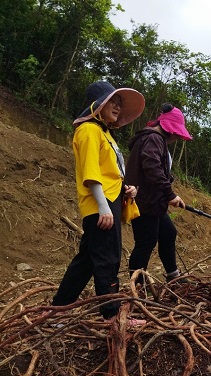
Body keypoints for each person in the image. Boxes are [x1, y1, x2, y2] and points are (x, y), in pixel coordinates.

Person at [51, 80, 146, 325]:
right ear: (98, 104)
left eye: (119, 103)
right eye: (112, 101)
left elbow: (109, 172)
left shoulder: (104, 132)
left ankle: (57, 311)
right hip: (99, 205)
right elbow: (90, 172)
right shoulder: (89, 131)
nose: (117, 106)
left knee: (87, 260)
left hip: (109, 200)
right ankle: (112, 315)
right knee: (107, 258)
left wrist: (126, 189)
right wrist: (103, 206)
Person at [125, 103, 192, 284]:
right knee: (145, 243)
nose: (176, 137)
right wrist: (170, 194)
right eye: (176, 132)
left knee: (168, 233)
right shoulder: (154, 138)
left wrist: (167, 195)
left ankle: (173, 275)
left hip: (153, 202)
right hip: (144, 202)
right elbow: (152, 167)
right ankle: (137, 286)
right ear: (168, 127)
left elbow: (156, 170)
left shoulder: (152, 138)